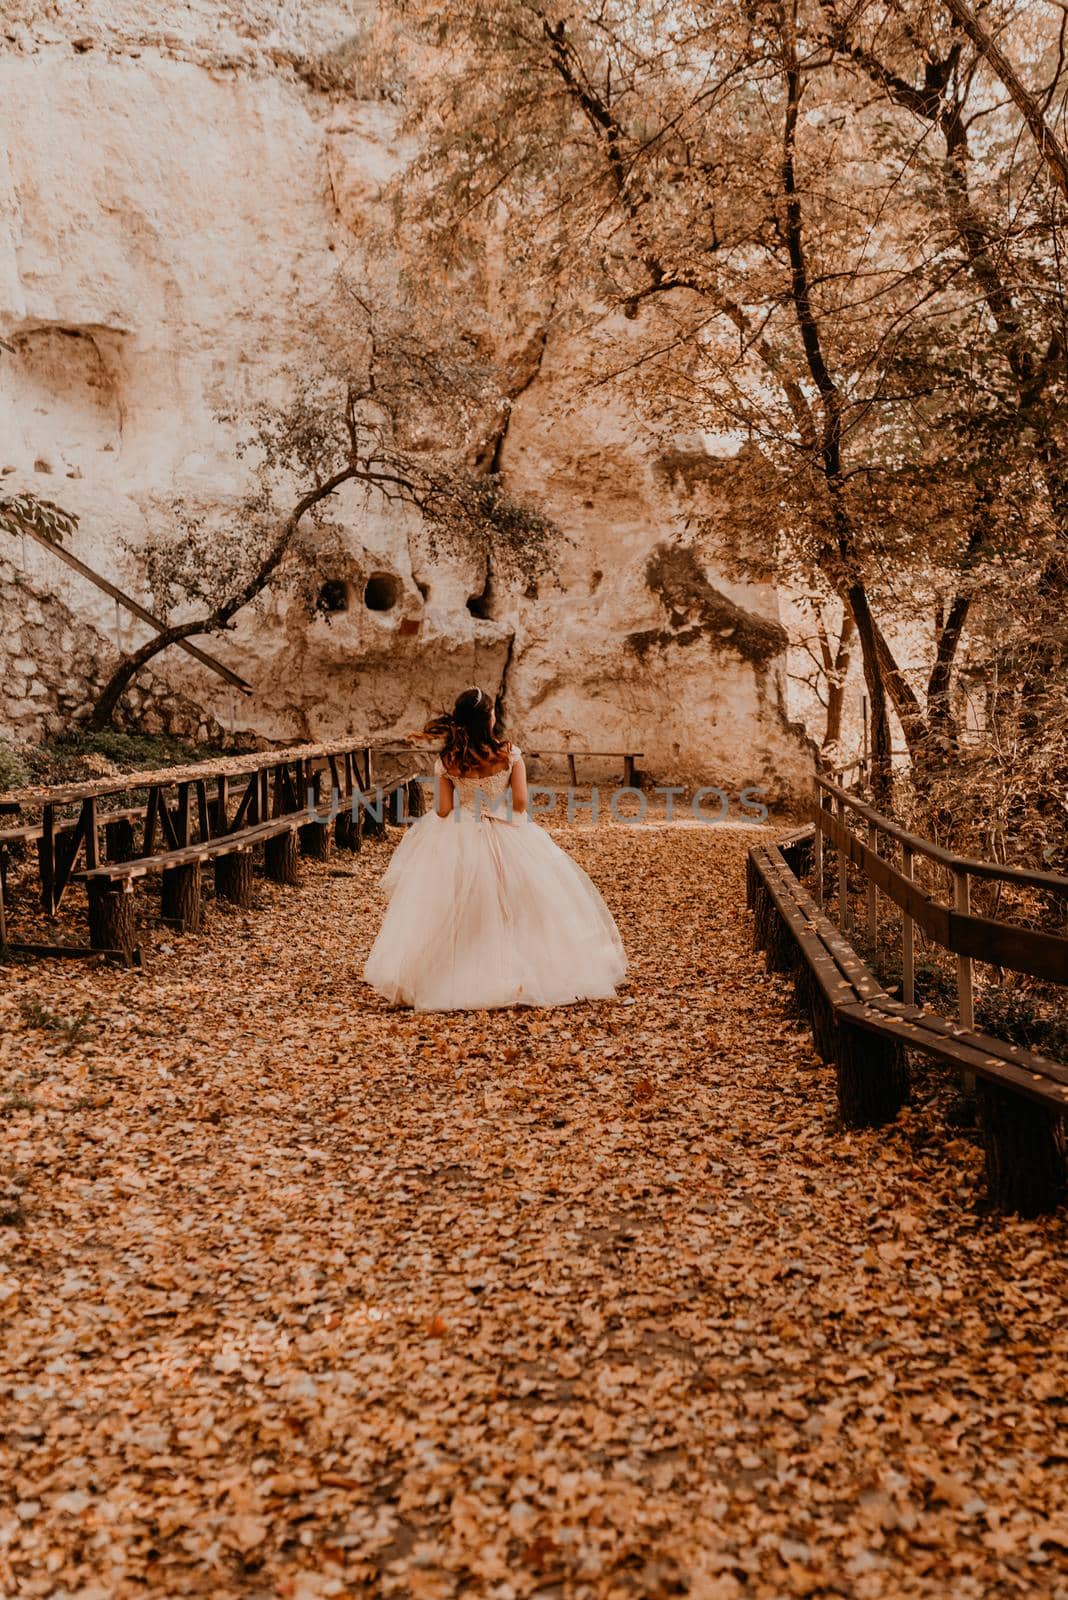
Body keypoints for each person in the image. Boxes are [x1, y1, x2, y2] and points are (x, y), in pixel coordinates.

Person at [363, 687, 627, 1011]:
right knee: (519, 902)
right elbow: (520, 803)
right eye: (491, 712)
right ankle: (516, 968)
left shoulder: (447, 761)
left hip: (462, 833)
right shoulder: (509, 754)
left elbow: (444, 810)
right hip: (506, 830)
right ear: (488, 719)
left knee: (460, 905)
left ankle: (457, 973)